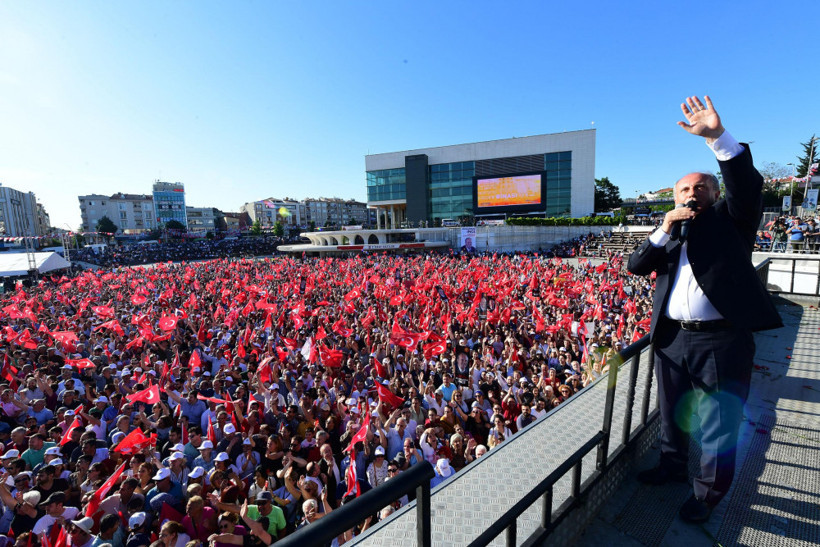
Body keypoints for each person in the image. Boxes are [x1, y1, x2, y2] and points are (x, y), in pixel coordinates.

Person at [627, 95, 782, 523]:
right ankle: (671, 467)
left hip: (721, 339)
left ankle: (708, 495)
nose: (691, 193)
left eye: (699, 187)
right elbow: (636, 265)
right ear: (672, 199)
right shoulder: (671, 232)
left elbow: (748, 189)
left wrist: (717, 138)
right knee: (673, 411)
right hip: (673, 338)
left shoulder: (732, 222)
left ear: (714, 194)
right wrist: (663, 228)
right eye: (682, 190)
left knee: (717, 423)